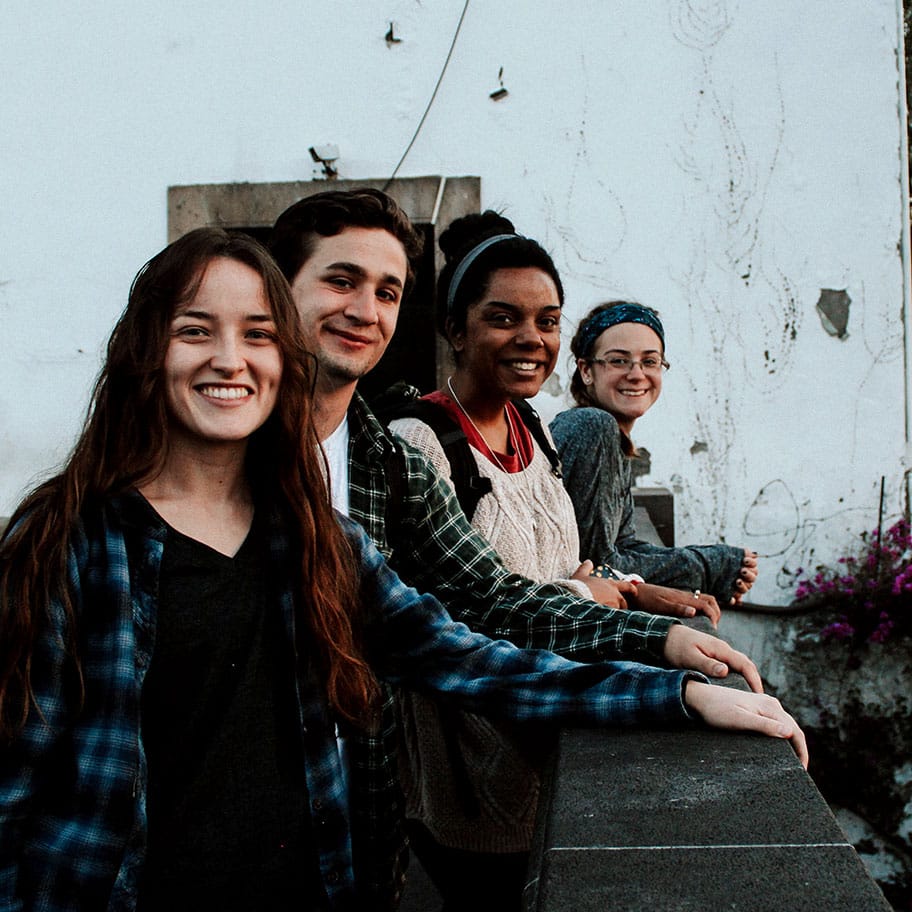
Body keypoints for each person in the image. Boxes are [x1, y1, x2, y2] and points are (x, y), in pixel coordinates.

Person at [0, 229, 806, 912]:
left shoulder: (319, 540)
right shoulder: (64, 542)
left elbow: (476, 654)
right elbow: (15, 785)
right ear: (145, 349)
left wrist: (676, 692)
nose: (229, 359)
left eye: (255, 333)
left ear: (281, 358)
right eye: (194, 330)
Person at [388, 211, 732, 910]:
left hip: (542, 740)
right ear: (456, 329)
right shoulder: (419, 442)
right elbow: (469, 616)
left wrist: (630, 593)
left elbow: (570, 569)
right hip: (467, 767)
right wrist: (611, 604)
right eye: (504, 317)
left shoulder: (538, 427)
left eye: (548, 320)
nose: (532, 339)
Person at [550, 301, 758, 608]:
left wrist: (719, 562)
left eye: (650, 361)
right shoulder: (591, 427)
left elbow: (623, 547)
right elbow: (598, 565)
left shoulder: (608, 437)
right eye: (619, 361)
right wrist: (708, 565)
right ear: (586, 371)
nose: (637, 374)